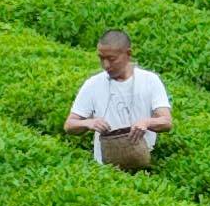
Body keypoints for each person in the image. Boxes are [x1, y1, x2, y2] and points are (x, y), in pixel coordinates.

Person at [64, 30, 174, 170]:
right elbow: (69, 125)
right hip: (105, 166)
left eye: (111, 59)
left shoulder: (150, 80)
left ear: (128, 54)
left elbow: (166, 121)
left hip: (142, 162)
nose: (106, 65)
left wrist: (146, 122)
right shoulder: (93, 84)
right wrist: (88, 123)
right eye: (101, 58)